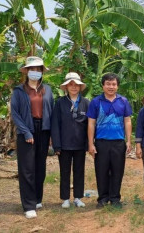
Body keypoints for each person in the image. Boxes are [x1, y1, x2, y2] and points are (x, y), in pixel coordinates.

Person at [10, 56, 54, 219]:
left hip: (43, 130)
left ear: (41, 72)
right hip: (26, 130)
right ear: (27, 71)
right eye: (32, 69)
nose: (35, 72)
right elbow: (15, 113)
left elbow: (52, 111)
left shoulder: (47, 90)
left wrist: (51, 134)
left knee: (40, 168)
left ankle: (36, 199)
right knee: (27, 169)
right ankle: (28, 205)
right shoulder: (19, 91)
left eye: (38, 69)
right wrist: (26, 132)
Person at [86, 73, 132, 208]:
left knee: (118, 171)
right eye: (108, 84)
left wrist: (129, 141)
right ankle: (103, 199)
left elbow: (127, 121)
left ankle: (115, 198)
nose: (111, 87)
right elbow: (91, 123)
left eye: (113, 84)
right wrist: (90, 144)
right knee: (101, 171)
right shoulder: (96, 102)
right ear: (103, 85)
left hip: (118, 142)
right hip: (101, 142)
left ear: (117, 86)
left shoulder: (123, 101)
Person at [51, 72, 90, 209]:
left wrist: (88, 144)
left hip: (80, 145)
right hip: (64, 145)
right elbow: (55, 125)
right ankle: (65, 198)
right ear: (66, 87)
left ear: (80, 87)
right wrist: (57, 145)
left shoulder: (86, 103)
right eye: (70, 85)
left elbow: (90, 125)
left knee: (79, 171)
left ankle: (78, 197)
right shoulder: (60, 103)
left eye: (76, 85)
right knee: (64, 172)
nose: (73, 87)